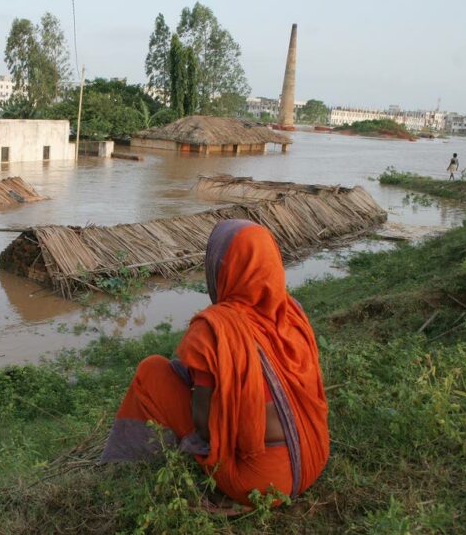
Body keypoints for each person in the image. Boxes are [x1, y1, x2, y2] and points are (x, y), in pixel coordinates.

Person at [101, 219, 330, 512]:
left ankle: (142, 461)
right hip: (313, 459)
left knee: (152, 371)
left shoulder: (215, 329)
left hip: (257, 484)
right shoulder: (292, 313)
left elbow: (204, 428)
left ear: (223, 269)